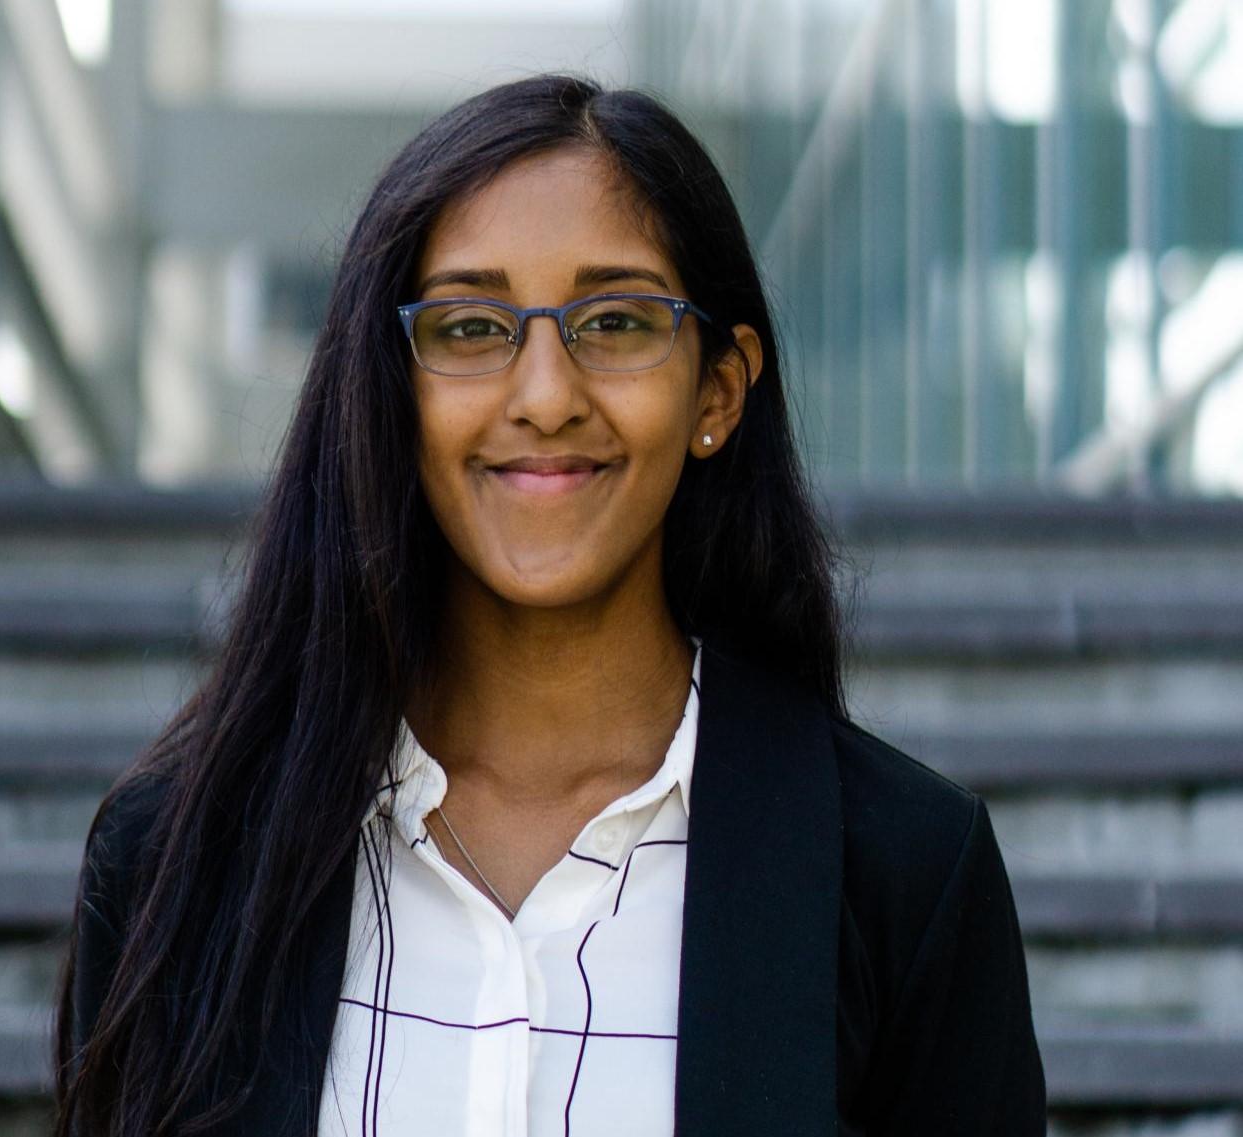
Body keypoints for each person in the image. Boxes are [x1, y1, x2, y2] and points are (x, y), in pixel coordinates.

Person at [52, 73, 1046, 1136]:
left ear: (715, 392)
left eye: (614, 321)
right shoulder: (177, 860)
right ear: (392, 387)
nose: (542, 395)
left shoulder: (900, 873)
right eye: (471, 328)